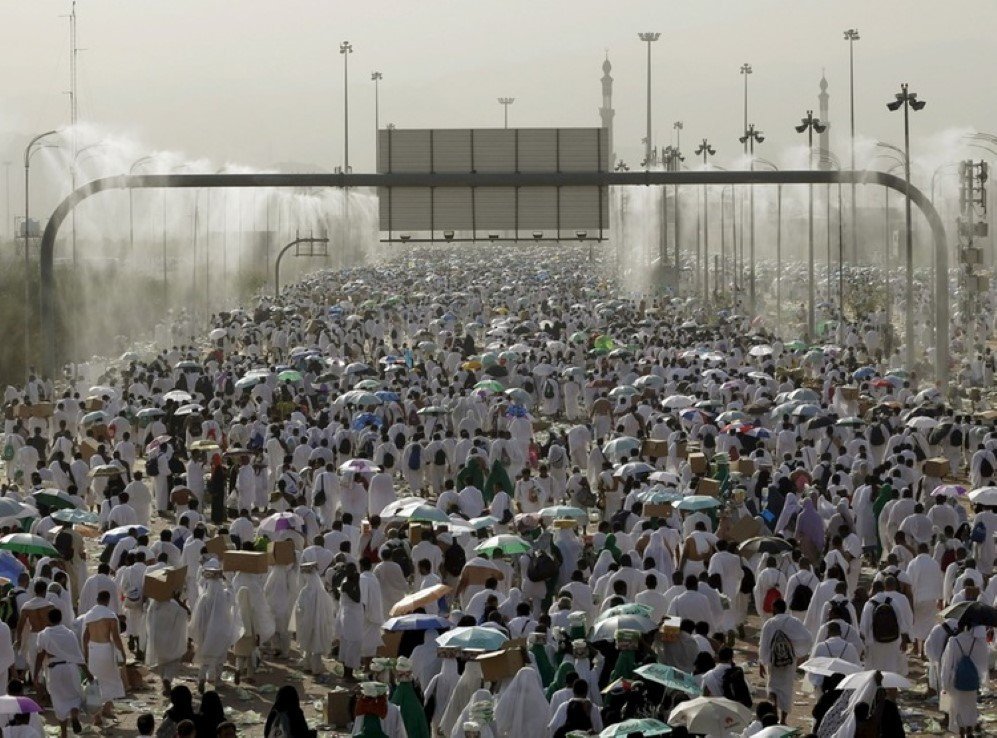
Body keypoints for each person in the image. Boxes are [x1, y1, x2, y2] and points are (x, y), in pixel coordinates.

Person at [34, 608, 90, 738]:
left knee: (59, 701)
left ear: (48, 619)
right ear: (60, 618)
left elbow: (40, 656)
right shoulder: (69, 633)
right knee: (74, 698)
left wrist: (36, 674)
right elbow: (78, 655)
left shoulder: (44, 634)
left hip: (54, 670)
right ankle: (75, 716)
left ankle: (64, 733)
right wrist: (88, 673)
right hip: (70, 668)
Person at [757, 598, 812, 723]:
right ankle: (783, 719)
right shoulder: (794, 622)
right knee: (787, 689)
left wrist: (762, 662)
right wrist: (797, 652)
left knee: (773, 687)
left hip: (773, 661)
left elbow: (763, 644)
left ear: (775, 608)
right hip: (789, 662)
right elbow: (807, 638)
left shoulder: (769, 623)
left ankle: (774, 709)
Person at [81, 590, 127, 723]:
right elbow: (116, 638)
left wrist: (86, 654)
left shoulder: (89, 615)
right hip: (106, 649)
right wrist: (122, 653)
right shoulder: (110, 615)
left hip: (93, 650)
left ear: (97, 599)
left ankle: (97, 715)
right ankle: (107, 708)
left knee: (94, 683)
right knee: (111, 678)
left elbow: (85, 637)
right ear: (107, 600)